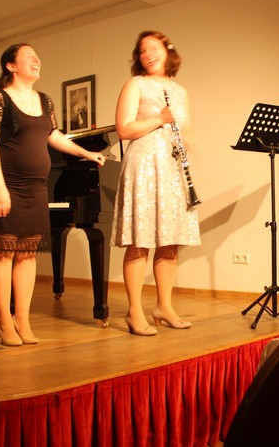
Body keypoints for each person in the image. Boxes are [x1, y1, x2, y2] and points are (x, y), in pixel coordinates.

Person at [0, 43, 106, 346]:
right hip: (6, 183)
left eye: (37, 56)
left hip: (35, 188)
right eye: (29, 57)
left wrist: (86, 153)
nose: (37, 60)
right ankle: (4, 321)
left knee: (27, 253)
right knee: (3, 252)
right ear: (11, 65)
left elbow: (54, 136)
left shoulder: (44, 100)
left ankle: (23, 320)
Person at [111, 30, 200, 337]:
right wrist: (159, 119)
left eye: (153, 48)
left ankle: (164, 306)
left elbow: (186, 128)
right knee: (140, 240)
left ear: (167, 50)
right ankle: (134, 311)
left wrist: (190, 143)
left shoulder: (180, 90)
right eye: (142, 50)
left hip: (172, 170)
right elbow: (124, 129)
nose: (148, 54)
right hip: (144, 166)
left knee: (170, 241)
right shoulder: (135, 84)